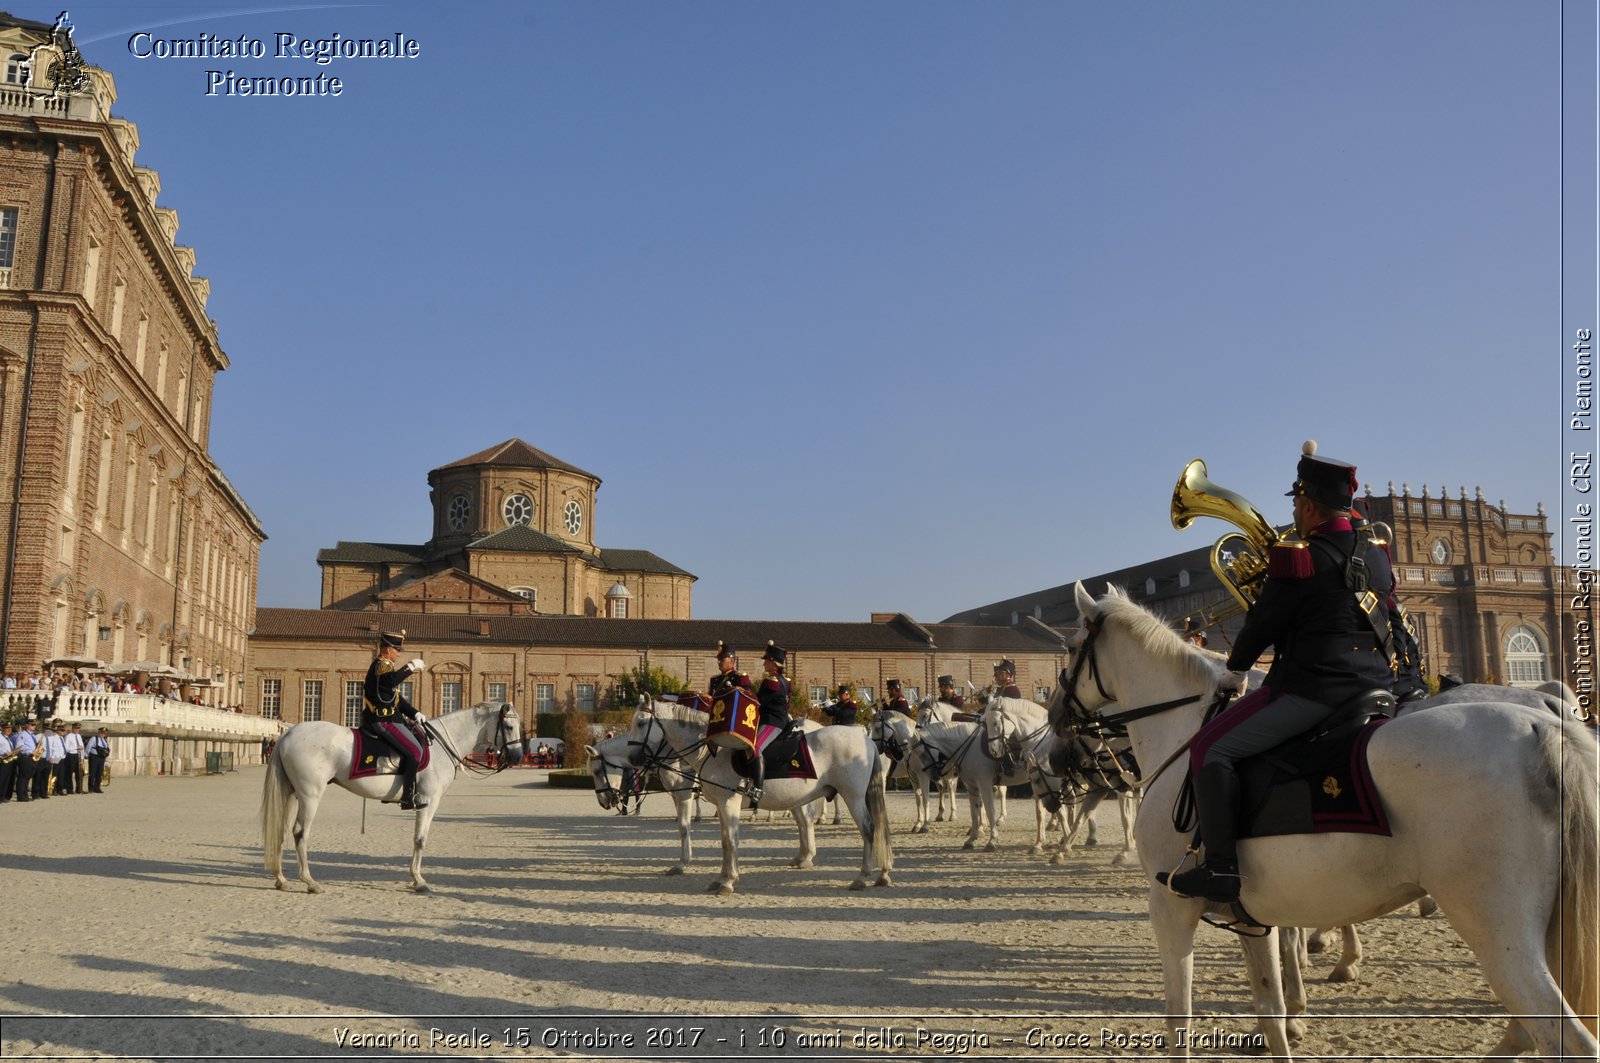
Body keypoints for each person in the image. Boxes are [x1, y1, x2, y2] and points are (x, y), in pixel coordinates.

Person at [1165, 442, 1395, 904]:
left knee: (1210, 748)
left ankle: (1222, 870)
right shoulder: (1376, 551)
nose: (1292, 510)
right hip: (1377, 682)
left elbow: (1261, 627)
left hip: (1315, 689)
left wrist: (1234, 668)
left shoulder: (1299, 557)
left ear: (1309, 506)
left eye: (1295, 502)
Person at [360, 629, 429, 810]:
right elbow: (391, 681)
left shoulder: (386, 667)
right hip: (382, 720)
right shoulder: (381, 666)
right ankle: (407, 797)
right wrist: (410, 667)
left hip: (392, 718)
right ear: (388, 649)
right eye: (397, 650)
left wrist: (415, 713)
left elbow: (396, 699)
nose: (398, 654)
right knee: (415, 751)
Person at [746, 642, 791, 805]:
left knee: (755, 747)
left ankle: (757, 788)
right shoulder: (785, 680)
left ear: (773, 663)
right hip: (782, 720)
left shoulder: (770, 681)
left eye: (766, 660)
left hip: (772, 722)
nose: (764, 663)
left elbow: (758, 703)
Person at [11, 718, 37, 801]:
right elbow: (19, 747)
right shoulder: (23, 735)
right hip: (25, 757)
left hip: (31, 757)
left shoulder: (31, 735)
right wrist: (30, 751)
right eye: (32, 725)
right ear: (27, 725)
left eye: (34, 725)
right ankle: (21, 796)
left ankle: (25, 794)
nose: (34, 726)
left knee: (28, 777)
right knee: (23, 777)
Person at [84, 727, 110, 794]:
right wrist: (86, 755)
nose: (102, 734)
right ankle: (91, 788)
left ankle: (97, 787)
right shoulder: (94, 738)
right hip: (94, 757)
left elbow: (106, 749)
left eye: (104, 733)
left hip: (101, 758)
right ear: (99, 732)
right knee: (92, 773)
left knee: (99, 773)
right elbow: (88, 747)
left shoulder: (105, 740)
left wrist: (106, 758)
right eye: (101, 732)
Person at [61, 722, 84, 794]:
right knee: (69, 773)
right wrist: (76, 748)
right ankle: (69, 789)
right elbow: (66, 748)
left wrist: (82, 757)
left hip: (78, 755)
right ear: (72, 728)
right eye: (75, 728)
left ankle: (79, 789)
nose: (77, 730)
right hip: (71, 755)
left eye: (78, 728)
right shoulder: (68, 736)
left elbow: (82, 747)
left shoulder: (79, 736)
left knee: (79, 773)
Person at [0, 722, 14, 803]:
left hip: (8, 760)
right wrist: (4, 753)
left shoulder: (8, 738)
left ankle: (3, 796)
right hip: (2, 760)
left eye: (10, 728)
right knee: (1, 779)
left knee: (6, 780)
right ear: (2, 728)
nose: (9, 729)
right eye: (6, 728)